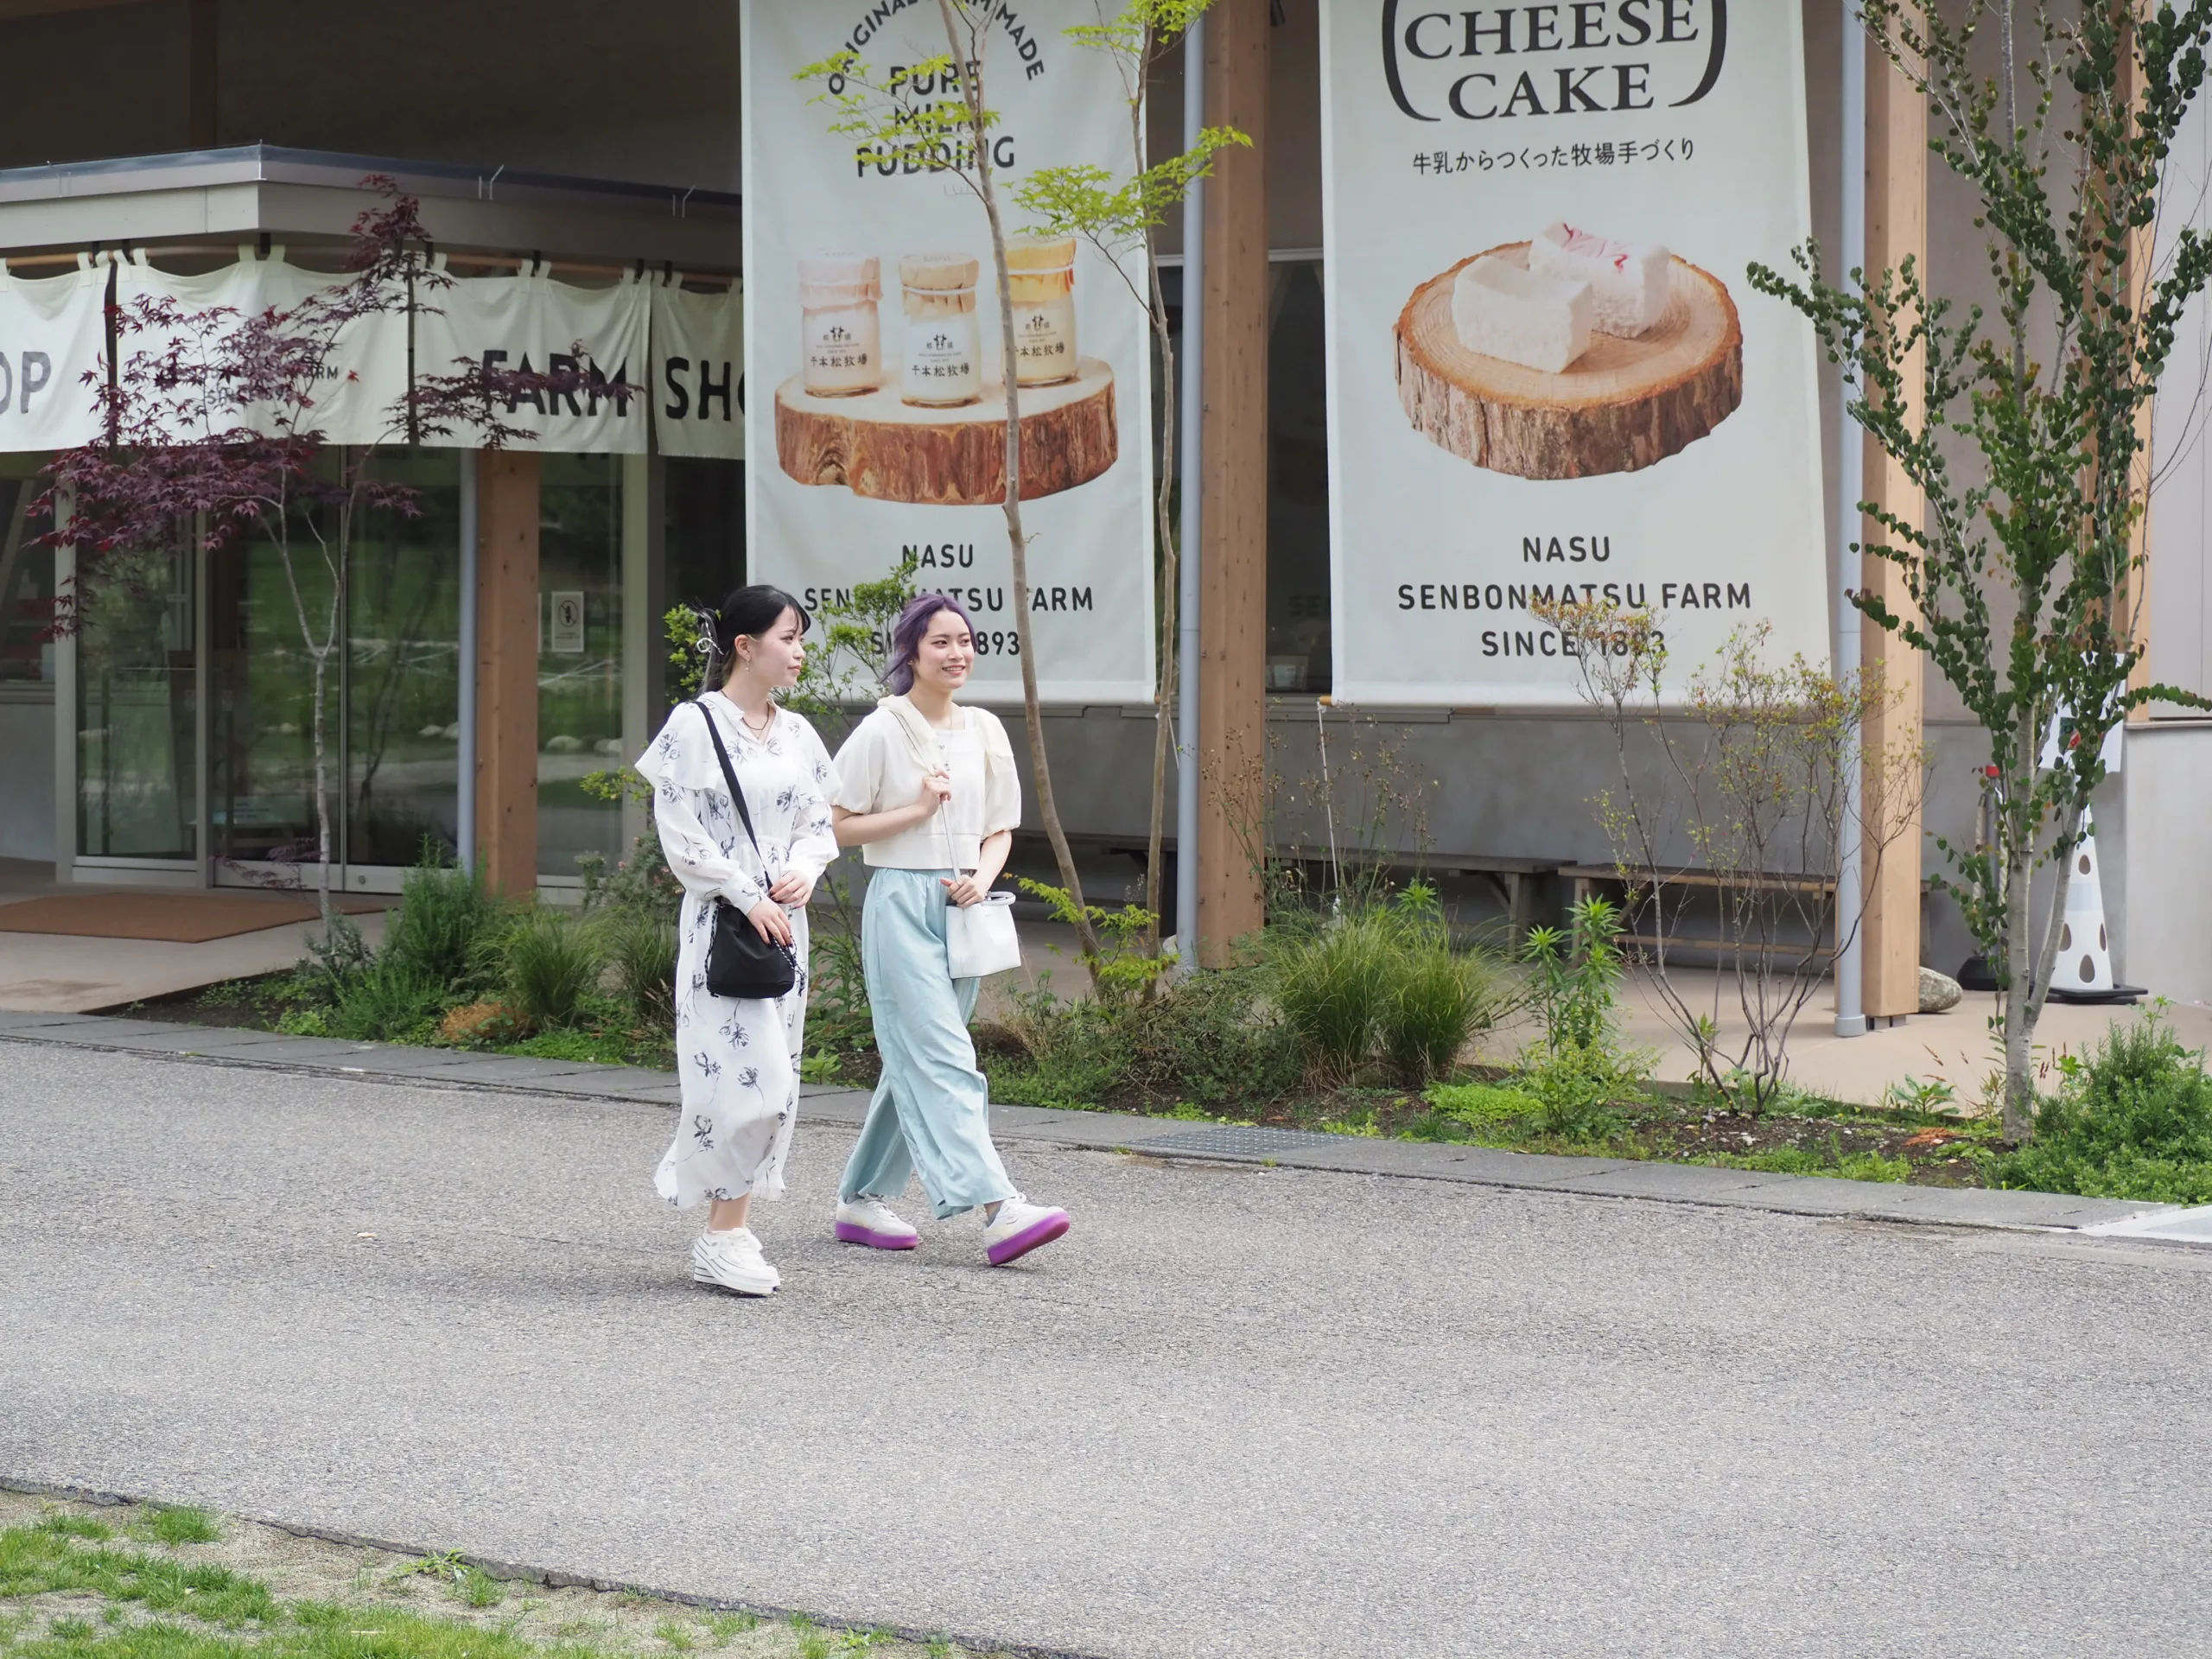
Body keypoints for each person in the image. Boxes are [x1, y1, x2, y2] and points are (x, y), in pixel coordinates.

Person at [827, 594, 1071, 1267]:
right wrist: (913, 810)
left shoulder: (986, 730)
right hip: (901, 900)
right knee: (942, 1057)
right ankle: (999, 1208)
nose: (957, 652)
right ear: (910, 652)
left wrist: (982, 878)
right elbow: (838, 824)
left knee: (919, 1056)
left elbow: (1000, 826)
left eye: (964, 640)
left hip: (965, 904)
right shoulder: (881, 731)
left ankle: (860, 1198)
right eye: (940, 642)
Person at [634, 584, 839, 1297]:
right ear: (745, 646)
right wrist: (747, 893)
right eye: (788, 637)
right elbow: (681, 836)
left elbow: (820, 821)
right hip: (725, 923)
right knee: (749, 1082)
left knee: (777, 1082)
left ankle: (731, 1230)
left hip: (785, 926)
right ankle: (723, 1234)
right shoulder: (693, 726)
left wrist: (804, 872)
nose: (800, 651)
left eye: (801, 638)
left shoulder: (799, 732)